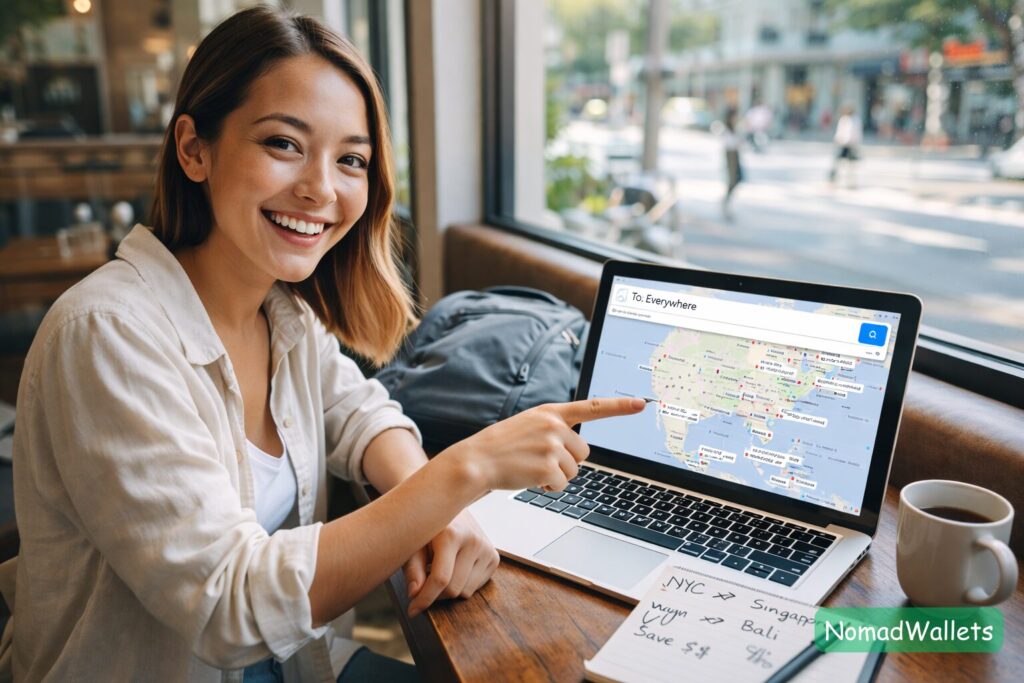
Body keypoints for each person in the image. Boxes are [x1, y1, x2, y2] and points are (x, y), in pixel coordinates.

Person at [1, 7, 644, 682]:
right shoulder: (106, 334)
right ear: (194, 148)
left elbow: (361, 413)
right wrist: (462, 475)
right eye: (284, 143)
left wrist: (429, 503)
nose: (321, 188)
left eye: (352, 160)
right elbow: (228, 604)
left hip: (295, 663)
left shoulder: (281, 314)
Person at [828, 104, 862, 188]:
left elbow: (856, 133)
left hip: (850, 145)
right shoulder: (844, 119)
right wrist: (838, 140)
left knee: (850, 164)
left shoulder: (855, 120)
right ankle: (833, 179)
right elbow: (840, 132)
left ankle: (850, 181)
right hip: (843, 144)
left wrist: (854, 142)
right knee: (837, 162)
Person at [721, 108, 743, 221]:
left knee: (735, 181)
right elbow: (731, 145)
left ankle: (727, 202)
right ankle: (725, 202)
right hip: (731, 158)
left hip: (735, 157)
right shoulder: (727, 131)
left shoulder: (734, 129)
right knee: (732, 181)